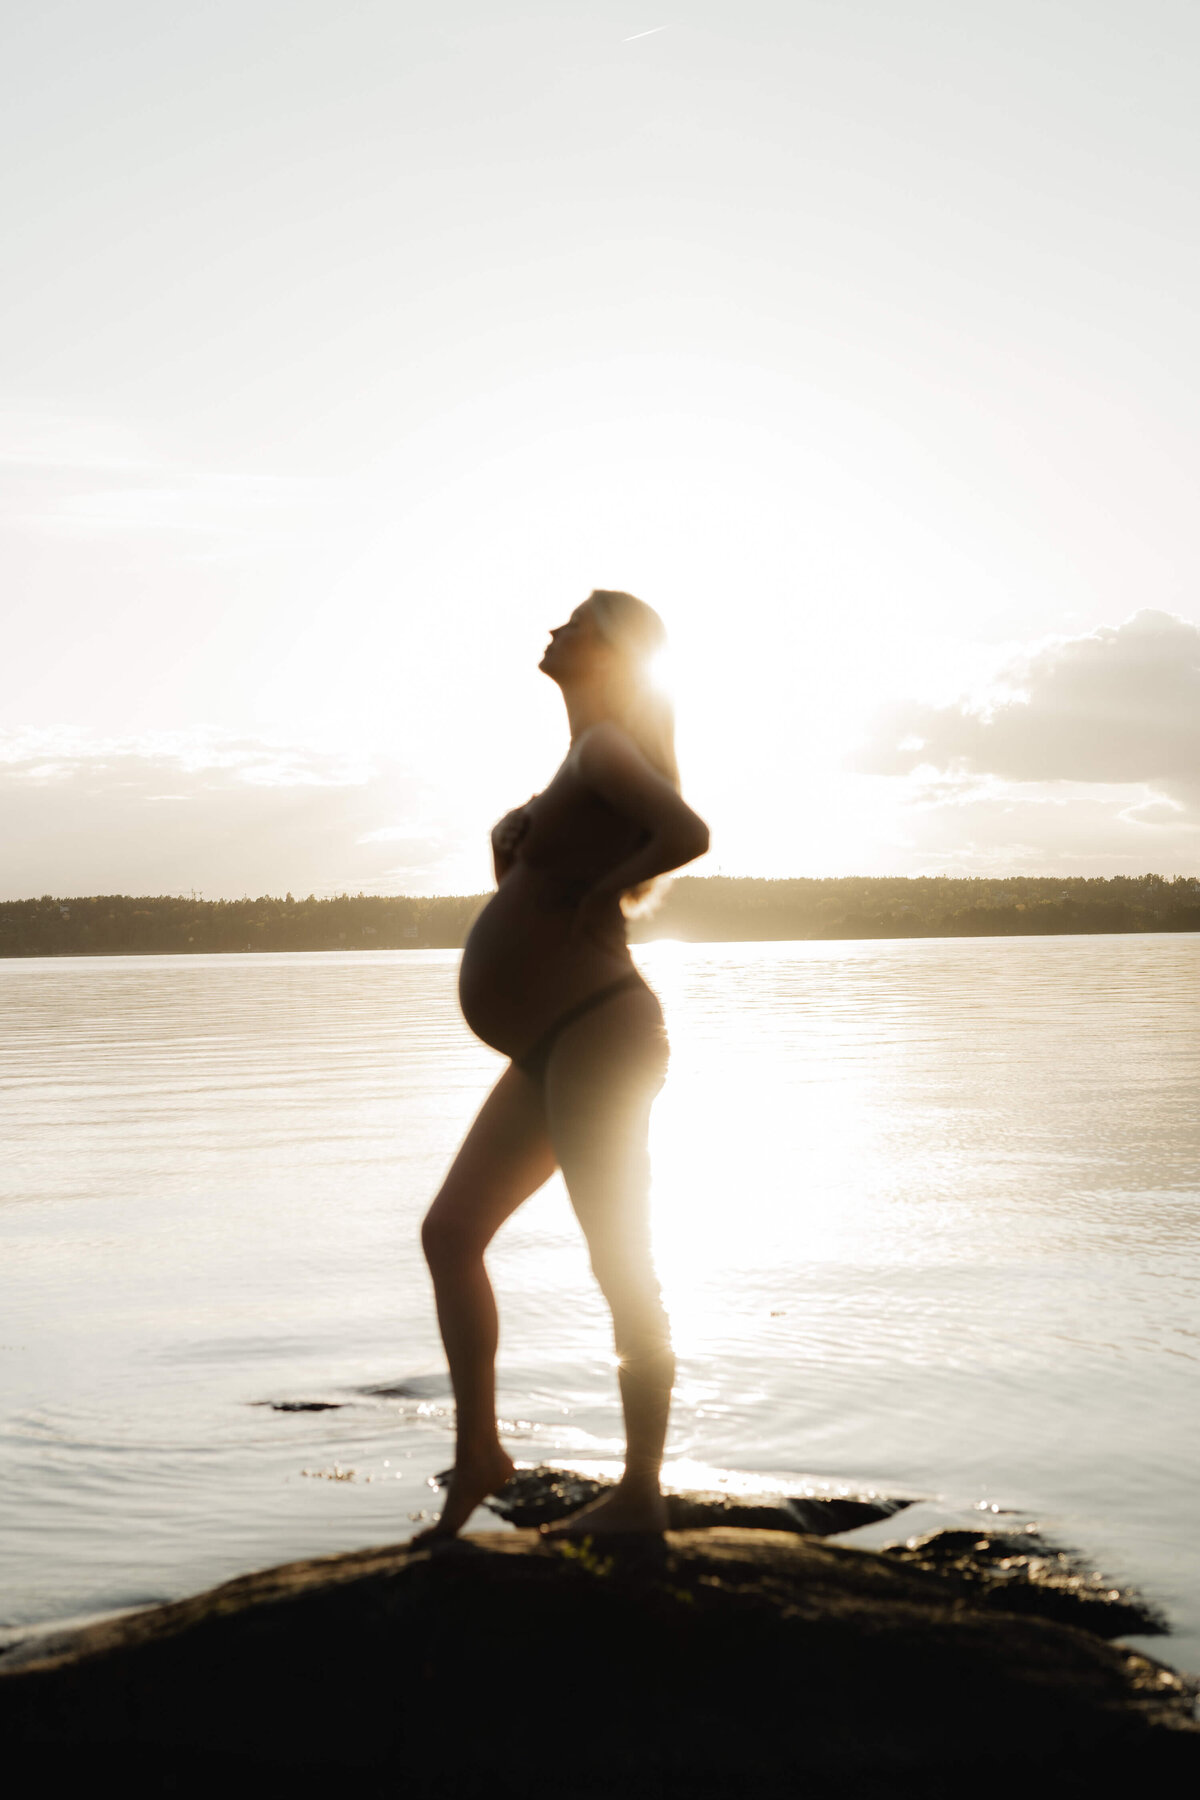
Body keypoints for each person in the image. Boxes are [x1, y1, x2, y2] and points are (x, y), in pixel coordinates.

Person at [414, 589, 710, 1540]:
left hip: (597, 1033)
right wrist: (521, 856)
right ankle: (481, 1456)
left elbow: (687, 834)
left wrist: (601, 891)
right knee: (450, 1234)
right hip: (557, 1042)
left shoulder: (601, 750)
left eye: (580, 619)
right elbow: (553, 891)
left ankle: (639, 1496)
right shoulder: (577, 761)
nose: (556, 627)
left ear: (614, 651)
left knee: (621, 1261)